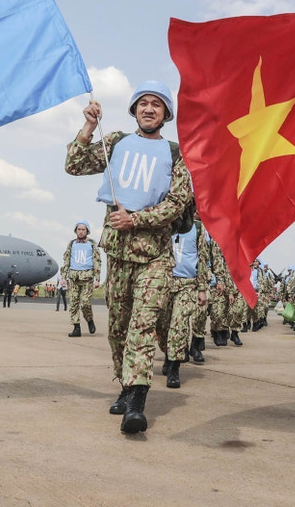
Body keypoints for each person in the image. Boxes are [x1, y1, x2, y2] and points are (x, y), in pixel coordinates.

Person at [64, 81, 193, 434]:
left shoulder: (176, 153)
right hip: (118, 254)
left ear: (167, 114)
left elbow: (177, 202)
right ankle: (124, 383)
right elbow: (74, 165)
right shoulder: (116, 142)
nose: (149, 109)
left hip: (155, 257)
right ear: (134, 109)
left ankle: (137, 401)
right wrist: (89, 126)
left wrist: (136, 219)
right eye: (143, 103)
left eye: (157, 105)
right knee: (119, 328)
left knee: (142, 326)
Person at [157, 205, 209, 388]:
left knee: (179, 324)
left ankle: (174, 367)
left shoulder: (198, 228)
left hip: (188, 283)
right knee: (162, 325)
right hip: (165, 282)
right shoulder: (164, 225)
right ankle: (167, 353)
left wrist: (202, 288)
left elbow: (202, 258)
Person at [61, 220, 102, 337]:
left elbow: (97, 261)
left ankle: (89, 320)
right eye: (79, 229)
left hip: (87, 278)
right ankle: (76, 327)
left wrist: (97, 278)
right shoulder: (71, 244)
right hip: (74, 278)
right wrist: (63, 276)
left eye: (83, 229)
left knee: (85, 302)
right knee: (73, 304)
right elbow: (66, 260)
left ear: (87, 231)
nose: (80, 232)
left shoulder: (92, 244)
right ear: (76, 230)